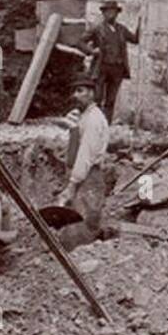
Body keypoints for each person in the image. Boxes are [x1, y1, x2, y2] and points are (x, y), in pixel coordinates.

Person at [55, 77, 110, 248]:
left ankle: (85, 256)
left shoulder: (94, 120)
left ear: (92, 93)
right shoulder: (85, 115)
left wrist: (72, 184)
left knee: (84, 221)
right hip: (83, 175)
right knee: (75, 218)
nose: (75, 95)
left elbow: (85, 155)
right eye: (74, 91)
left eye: (80, 91)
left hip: (89, 177)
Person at [83, 0, 140, 121]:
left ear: (117, 14)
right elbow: (80, 42)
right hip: (101, 67)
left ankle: (106, 124)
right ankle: (95, 123)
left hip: (117, 68)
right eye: (108, 12)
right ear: (103, 13)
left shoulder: (121, 29)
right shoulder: (97, 28)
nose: (111, 14)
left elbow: (135, 39)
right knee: (97, 97)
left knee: (111, 99)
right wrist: (92, 51)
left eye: (113, 12)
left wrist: (141, 23)